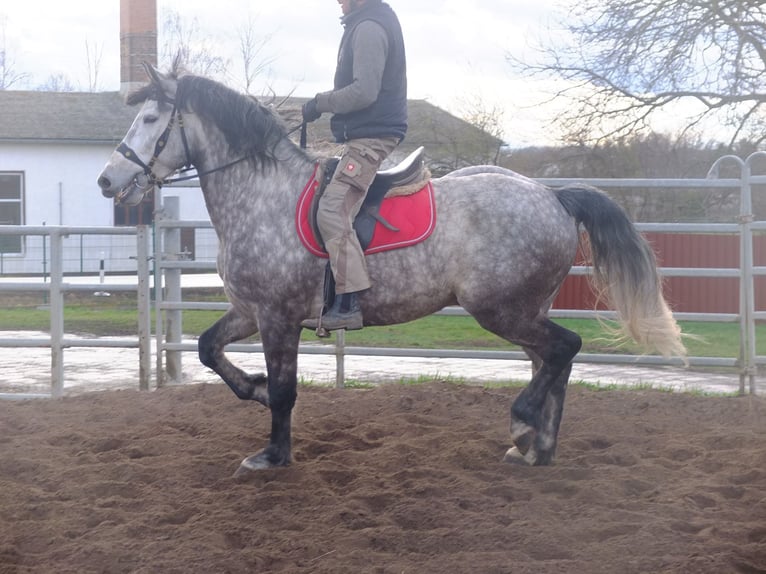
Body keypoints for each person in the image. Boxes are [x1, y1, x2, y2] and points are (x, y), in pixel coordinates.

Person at [301, 0, 408, 332]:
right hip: (363, 135)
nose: (338, 1)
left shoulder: (368, 28)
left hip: (372, 139)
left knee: (332, 211)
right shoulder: (365, 22)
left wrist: (321, 103)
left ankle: (348, 303)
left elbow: (364, 92)